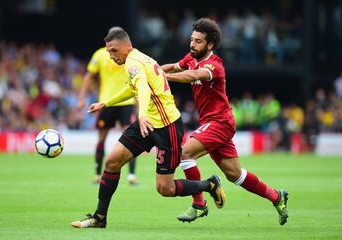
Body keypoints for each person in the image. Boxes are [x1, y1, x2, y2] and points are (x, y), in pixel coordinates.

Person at [71, 26, 225, 228]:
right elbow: (133, 87)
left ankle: (209, 184)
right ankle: (99, 218)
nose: (111, 56)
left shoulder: (133, 63)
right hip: (148, 122)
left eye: (114, 51)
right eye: (108, 51)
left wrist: (142, 114)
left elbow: (142, 87)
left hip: (166, 126)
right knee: (112, 162)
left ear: (127, 46)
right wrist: (106, 103)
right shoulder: (137, 59)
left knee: (165, 189)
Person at [161, 18, 289, 225]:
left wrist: (162, 77)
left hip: (220, 122)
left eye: (198, 41)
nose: (192, 44)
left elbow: (191, 75)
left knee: (185, 153)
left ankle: (199, 204)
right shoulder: (191, 57)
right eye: (192, 39)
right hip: (214, 123)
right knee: (235, 175)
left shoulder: (214, 66)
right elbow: (175, 67)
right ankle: (277, 196)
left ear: (210, 44)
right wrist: (153, 69)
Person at [78, 43, 137, 185]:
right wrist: (81, 97)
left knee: (131, 139)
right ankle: (98, 174)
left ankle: (131, 176)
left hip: (126, 102)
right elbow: (89, 76)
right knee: (101, 139)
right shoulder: (99, 55)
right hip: (105, 102)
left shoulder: (129, 54)